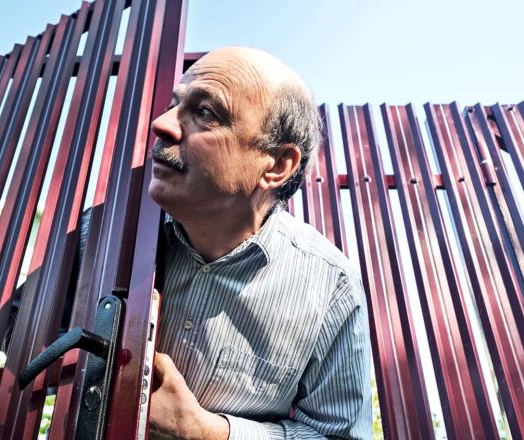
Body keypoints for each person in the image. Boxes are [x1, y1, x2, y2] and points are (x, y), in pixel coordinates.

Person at [146, 47, 371, 439]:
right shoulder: (103, 233)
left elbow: (338, 435)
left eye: (205, 113)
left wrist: (207, 431)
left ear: (277, 165)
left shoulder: (330, 287)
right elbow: (17, 339)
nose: (161, 124)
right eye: (174, 104)